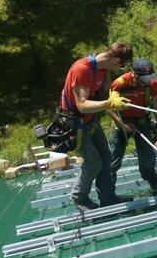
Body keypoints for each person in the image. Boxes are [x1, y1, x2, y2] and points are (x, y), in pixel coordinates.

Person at [61, 43, 134, 211]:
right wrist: (109, 102)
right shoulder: (82, 69)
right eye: (121, 65)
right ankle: (79, 196)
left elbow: (102, 98)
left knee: (106, 157)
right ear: (116, 60)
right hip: (75, 122)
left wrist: (114, 106)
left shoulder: (102, 70)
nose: (119, 69)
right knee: (94, 162)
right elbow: (82, 105)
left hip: (90, 120)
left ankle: (108, 197)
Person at [107, 57, 157, 194]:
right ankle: (108, 190)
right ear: (134, 74)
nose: (148, 81)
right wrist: (122, 124)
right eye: (144, 78)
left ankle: (152, 181)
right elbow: (108, 107)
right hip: (121, 122)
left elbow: (156, 106)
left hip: (141, 121)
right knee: (114, 157)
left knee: (148, 156)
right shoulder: (119, 83)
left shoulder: (153, 84)